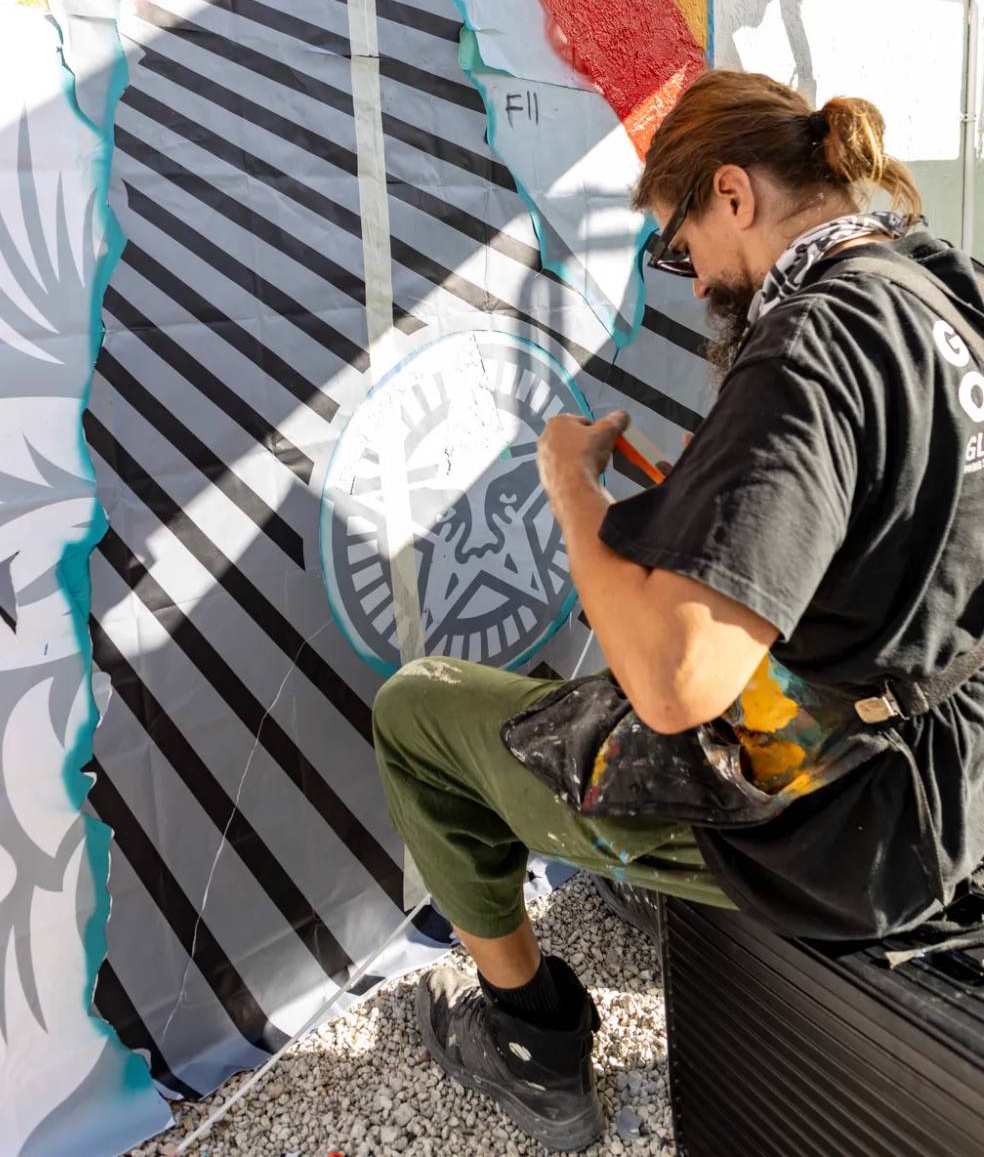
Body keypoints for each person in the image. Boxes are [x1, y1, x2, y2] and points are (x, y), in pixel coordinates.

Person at [372, 68, 984, 1151]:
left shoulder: (808, 343)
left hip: (860, 823)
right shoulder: (941, 287)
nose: (690, 275)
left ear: (733, 193)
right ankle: (631, 878)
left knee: (422, 711)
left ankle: (532, 1042)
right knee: (582, 687)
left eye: (678, 242)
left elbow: (676, 684)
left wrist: (573, 493)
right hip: (958, 755)